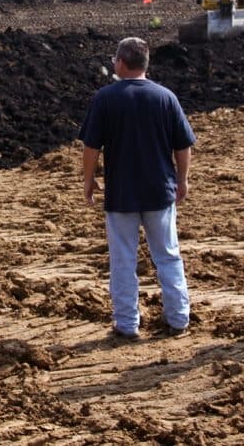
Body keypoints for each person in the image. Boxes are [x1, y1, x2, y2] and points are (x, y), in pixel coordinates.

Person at [79, 37, 197, 339]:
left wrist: (89, 179)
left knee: (122, 260)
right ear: (145, 64)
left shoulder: (105, 98)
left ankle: (127, 323)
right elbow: (183, 145)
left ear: (120, 62)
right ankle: (178, 319)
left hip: (121, 194)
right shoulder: (165, 97)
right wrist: (182, 179)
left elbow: (91, 146)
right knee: (168, 256)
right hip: (160, 191)